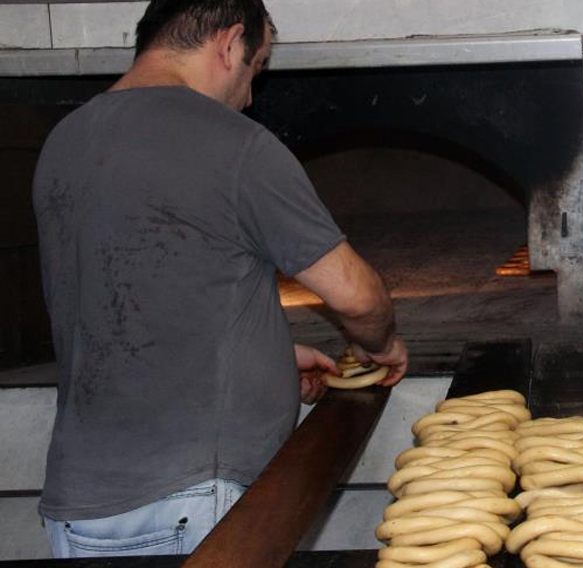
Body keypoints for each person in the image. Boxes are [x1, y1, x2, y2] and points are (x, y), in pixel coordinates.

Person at [32, 0, 408, 557]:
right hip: (187, 505)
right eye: (255, 68)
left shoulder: (65, 140)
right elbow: (355, 296)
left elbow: (132, 306)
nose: (250, 95)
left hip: (77, 509)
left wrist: (268, 361)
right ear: (231, 44)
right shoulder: (234, 144)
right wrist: (378, 343)